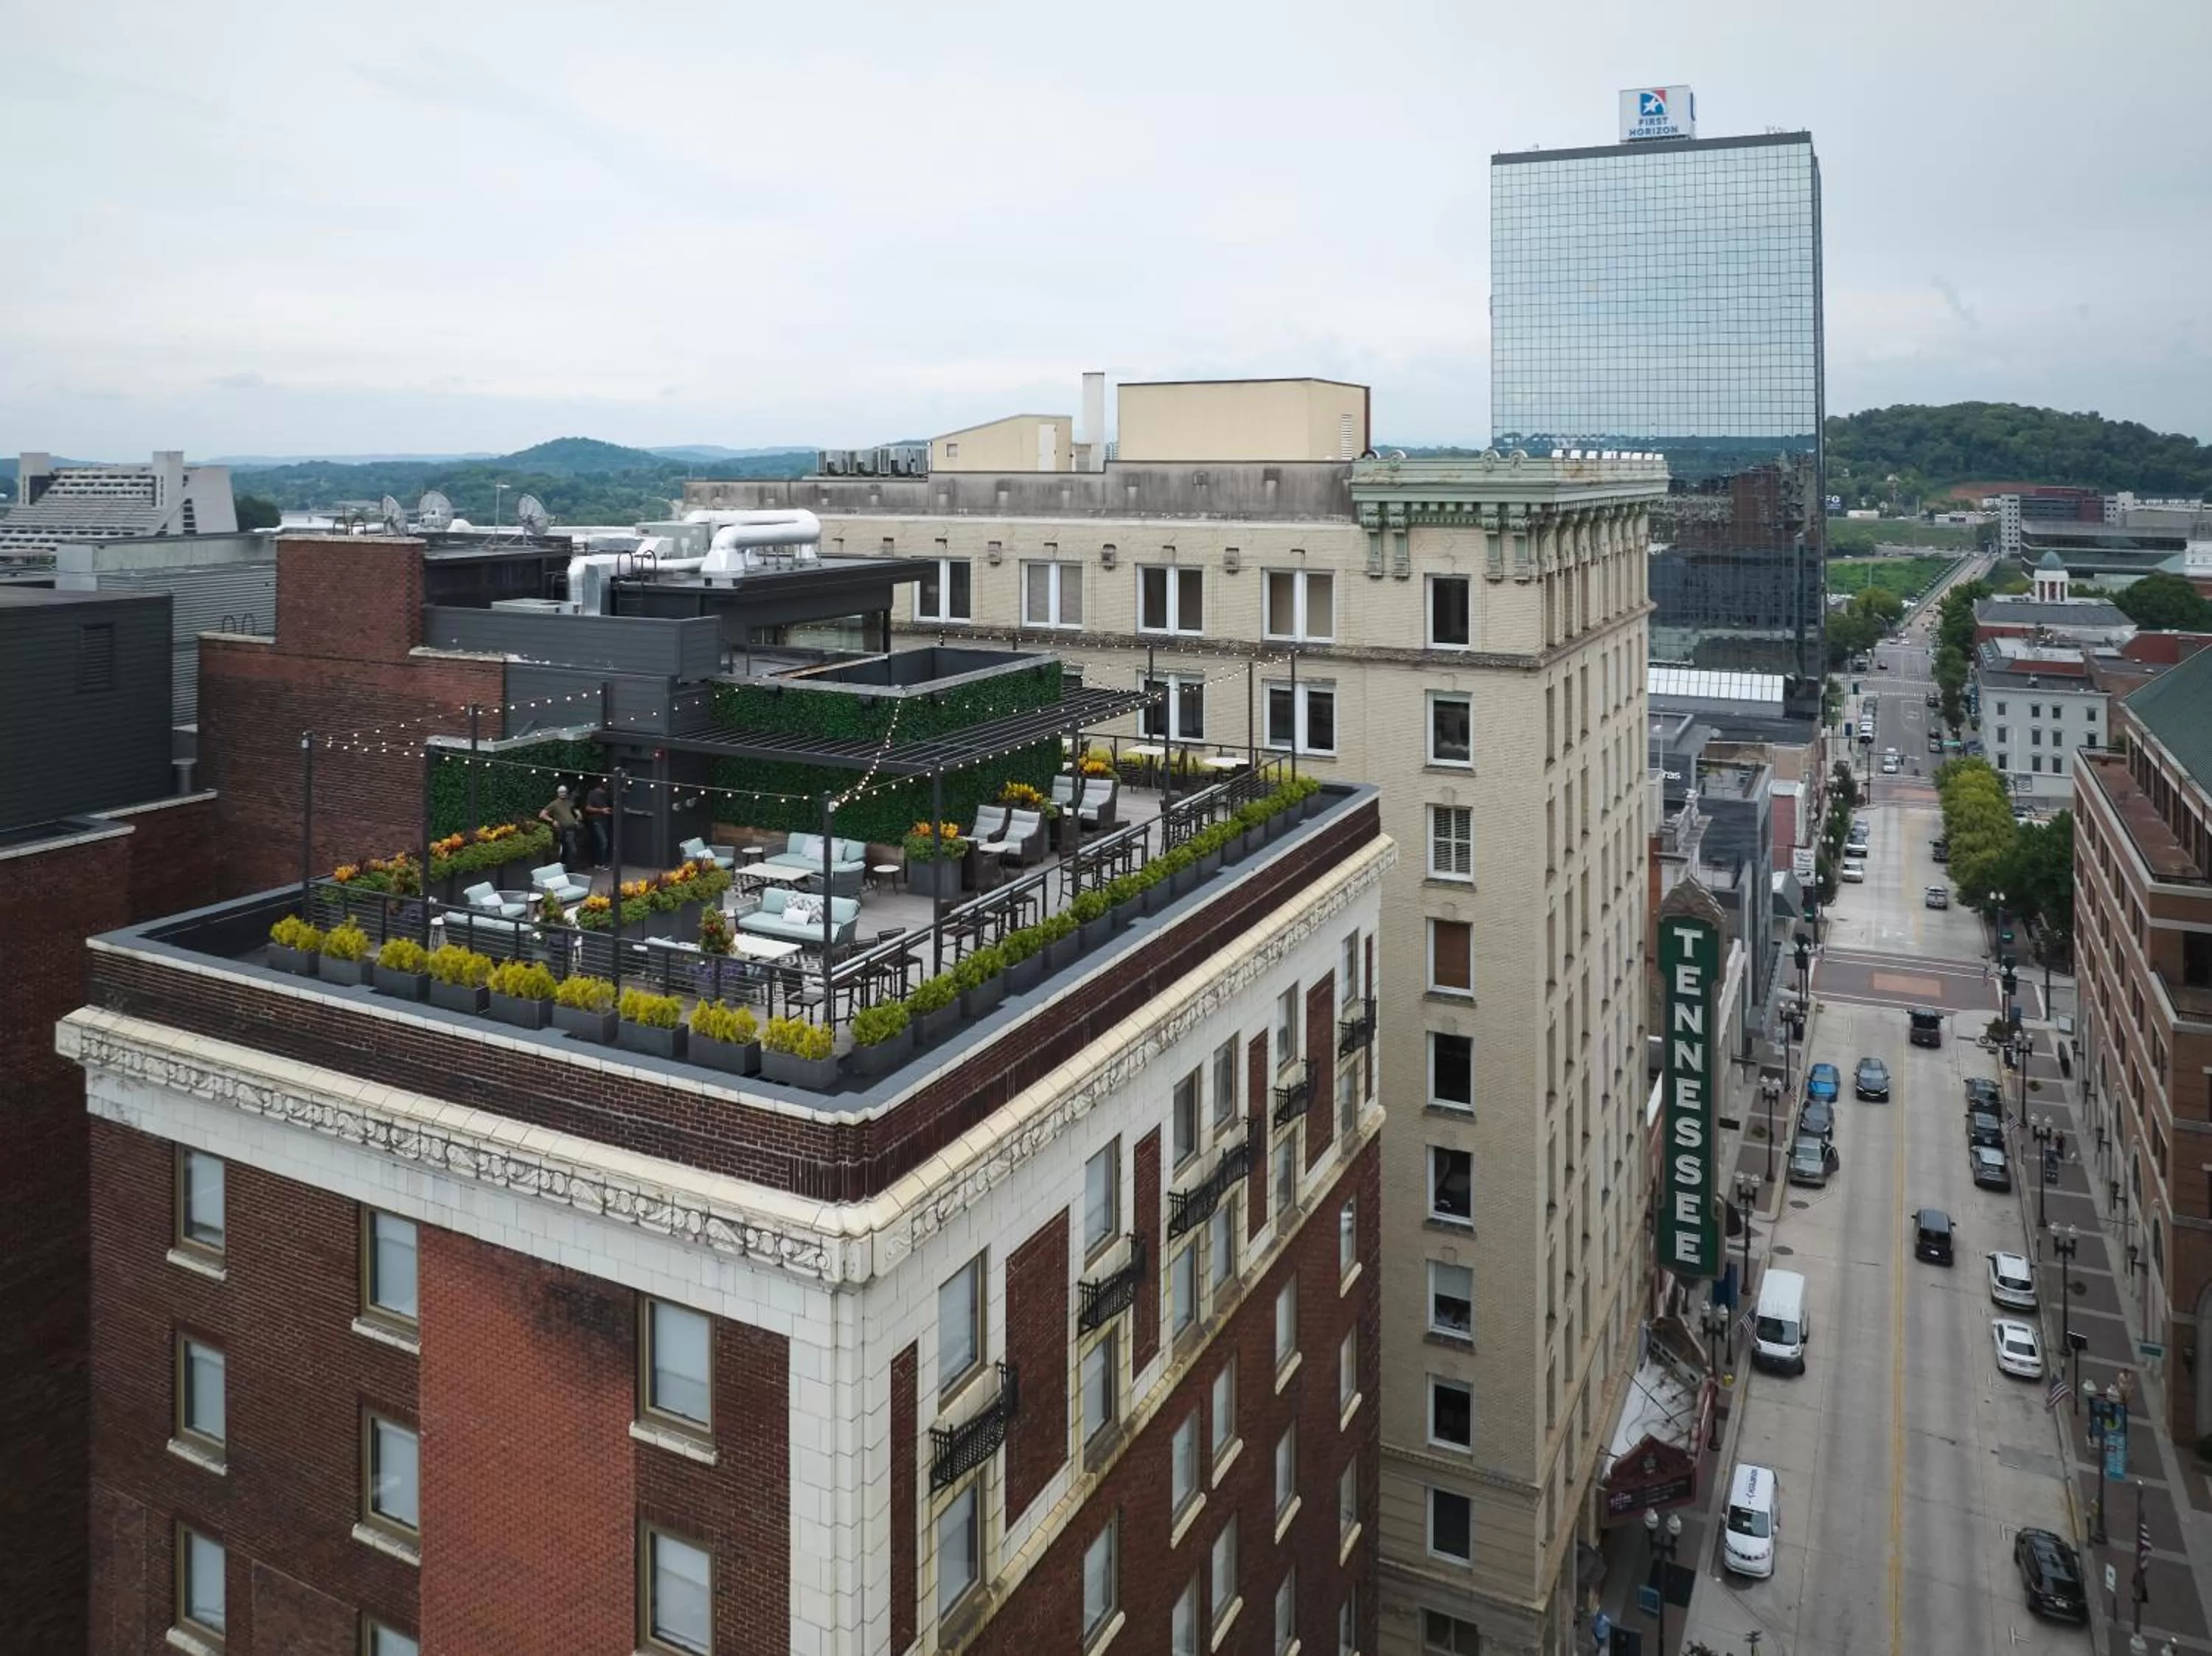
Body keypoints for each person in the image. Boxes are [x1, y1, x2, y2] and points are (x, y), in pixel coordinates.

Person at [539, 785, 582, 868]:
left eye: (564, 792)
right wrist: (553, 821)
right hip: (563, 830)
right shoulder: (554, 804)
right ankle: (568, 868)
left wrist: (578, 816)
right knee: (570, 849)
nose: (563, 794)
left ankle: (566, 867)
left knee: (568, 849)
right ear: (558, 793)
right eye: (561, 792)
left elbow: (575, 811)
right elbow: (542, 815)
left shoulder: (569, 802)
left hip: (572, 829)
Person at [583, 777, 613, 869]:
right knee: (603, 841)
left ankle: (600, 863)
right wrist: (601, 811)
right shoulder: (592, 794)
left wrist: (610, 811)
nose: (607, 786)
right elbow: (587, 808)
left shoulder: (607, 794)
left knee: (603, 842)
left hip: (605, 821)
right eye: (606, 783)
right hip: (596, 821)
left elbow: (609, 807)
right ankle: (599, 863)